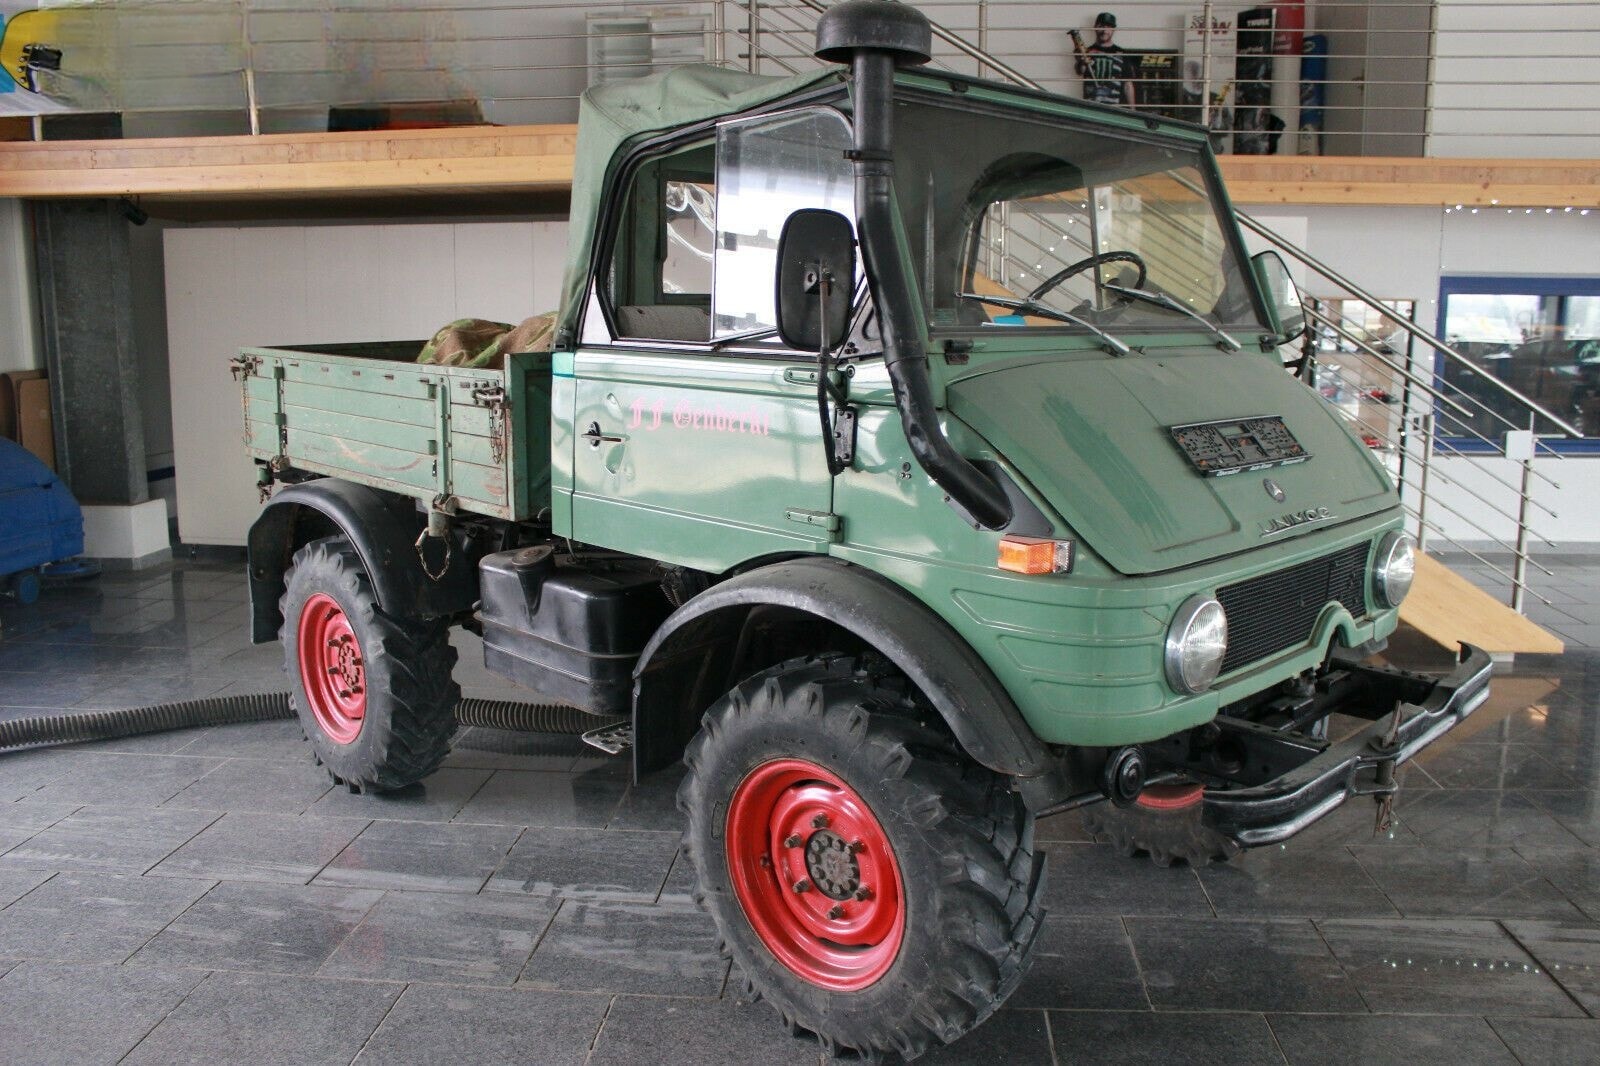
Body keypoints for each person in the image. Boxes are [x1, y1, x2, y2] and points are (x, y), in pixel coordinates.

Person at [1071, 12, 1137, 108]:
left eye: (1108, 27)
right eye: (1101, 26)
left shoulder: (1122, 54)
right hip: (1090, 108)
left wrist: (1133, 110)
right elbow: (1080, 71)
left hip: (1113, 110)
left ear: (1113, 29)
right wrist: (1082, 61)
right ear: (1095, 27)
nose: (1105, 31)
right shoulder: (1087, 52)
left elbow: (1128, 85)